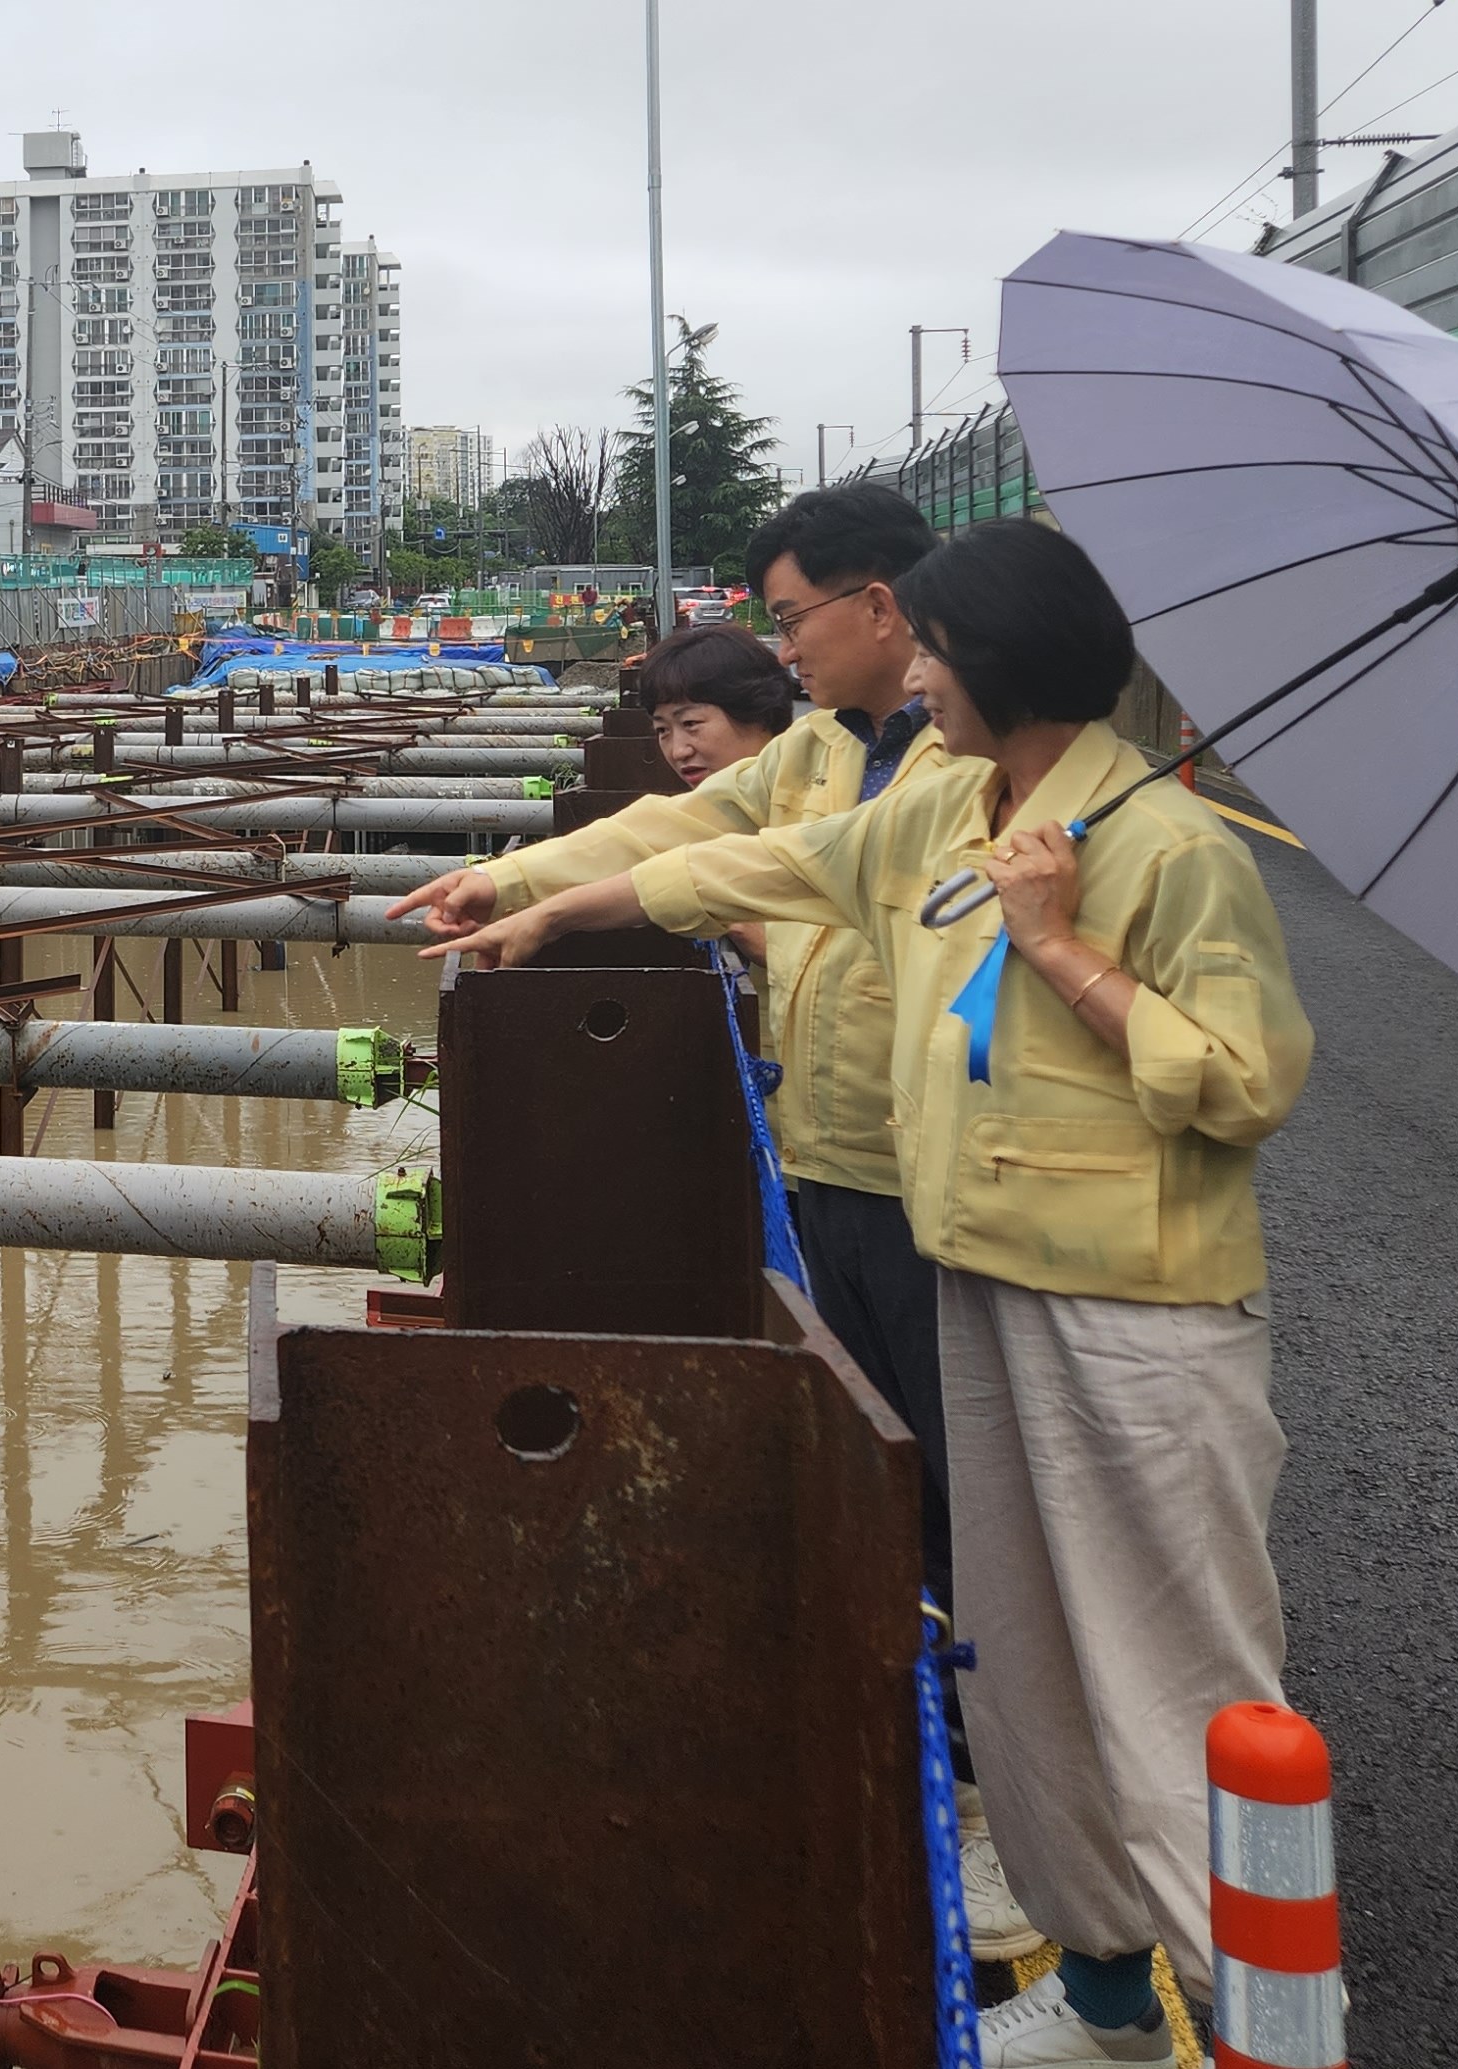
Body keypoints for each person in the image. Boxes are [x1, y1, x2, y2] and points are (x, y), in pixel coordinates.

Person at [427, 519, 1312, 2067]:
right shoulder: (946, 802)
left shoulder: (1173, 851)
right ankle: (1110, 1999)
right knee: (1027, 1651)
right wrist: (555, 903)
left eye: (939, 651)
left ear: (998, 659)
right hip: (977, 1268)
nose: (917, 670)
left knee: (1170, 1669)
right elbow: (767, 856)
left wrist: (1055, 946)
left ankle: (1273, 2023)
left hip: (1132, 1310)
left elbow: (1240, 1085)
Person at [384, 485, 1024, 1955]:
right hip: (832, 1158)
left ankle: (1011, 1795)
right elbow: (685, 827)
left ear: (883, 603)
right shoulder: (816, 750)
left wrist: (574, 907)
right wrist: (510, 883)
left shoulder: (968, 762)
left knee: (981, 1483)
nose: (784, 645)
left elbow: (763, 874)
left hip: (952, 1172)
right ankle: (942, 1743)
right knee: (894, 1468)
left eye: (795, 617)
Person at [634, 621, 794, 786]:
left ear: (761, 715)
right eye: (662, 730)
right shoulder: (693, 810)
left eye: (690, 723)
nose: (678, 752)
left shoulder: (814, 804)